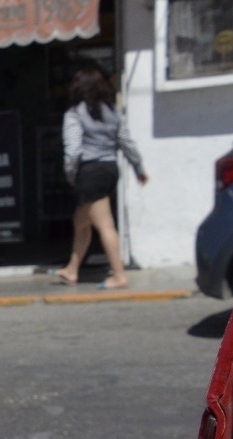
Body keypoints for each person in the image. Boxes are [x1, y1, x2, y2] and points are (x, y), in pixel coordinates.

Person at [55, 64, 148, 290]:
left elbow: (73, 150)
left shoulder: (74, 114)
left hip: (89, 172)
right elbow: (126, 142)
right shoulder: (113, 112)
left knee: (104, 224)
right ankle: (72, 269)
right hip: (109, 169)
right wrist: (138, 167)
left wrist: (70, 175)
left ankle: (119, 275)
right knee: (81, 222)